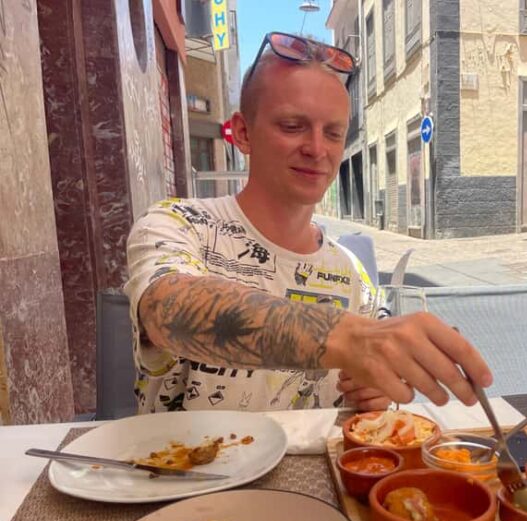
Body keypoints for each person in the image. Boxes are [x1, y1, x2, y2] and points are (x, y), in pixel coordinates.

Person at [124, 32, 491, 414]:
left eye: (333, 133)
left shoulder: (351, 273)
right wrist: (352, 339)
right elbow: (165, 311)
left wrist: (372, 392)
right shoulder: (177, 224)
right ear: (243, 133)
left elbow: (368, 394)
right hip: (183, 467)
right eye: (292, 126)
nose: (317, 149)